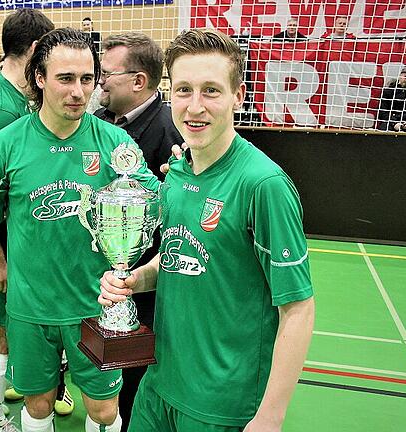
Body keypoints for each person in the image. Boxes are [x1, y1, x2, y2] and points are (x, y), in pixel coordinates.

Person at [99, 28, 316, 432]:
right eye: (183, 90)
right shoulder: (178, 172)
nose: (194, 107)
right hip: (158, 386)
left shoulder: (263, 185)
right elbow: (180, 259)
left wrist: (271, 415)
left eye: (211, 91)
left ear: (238, 95)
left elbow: (298, 309)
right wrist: (133, 279)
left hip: (222, 405)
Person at [0, 27, 159, 432]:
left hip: (97, 307)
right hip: (29, 307)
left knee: (104, 410)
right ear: (40, 78)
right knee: (37, 405)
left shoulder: (114, 143)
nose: (78, 92)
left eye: (87, 79)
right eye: (65, 78)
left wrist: (186, 180)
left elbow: (155, 203)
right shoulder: (7, 144)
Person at [0, 9, 66, 432]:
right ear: (38, 51)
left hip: (8, 241)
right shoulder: (2, 110)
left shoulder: (13, 98)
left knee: (2, 336)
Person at [92, 31, 183, 432]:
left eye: (106, 74)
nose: (98, 83)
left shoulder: (173, 133)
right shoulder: (97, 124)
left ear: (138, 81)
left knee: (135, 379)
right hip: (105, 278)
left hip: (148, 286)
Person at [377, 65, 406, 132]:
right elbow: (382, 112)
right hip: (390, 120)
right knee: (383, 130)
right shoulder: (388, 91)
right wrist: (393, 123)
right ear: (400, 76)